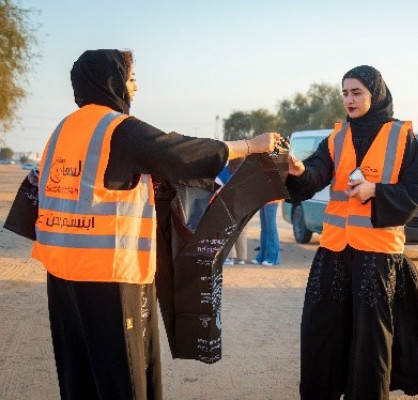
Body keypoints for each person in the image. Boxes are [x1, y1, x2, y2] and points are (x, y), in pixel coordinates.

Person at [31, 49, 280, 400]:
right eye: (131, 79)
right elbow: (180, 152)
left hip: (61, 274)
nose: (136, 87)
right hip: (111, 275)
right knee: (125, 379)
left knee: (80, 373)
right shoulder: (119, 129)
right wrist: (249, 146)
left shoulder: (62, 130)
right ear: (113, 82)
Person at [286, 65, 418, 399]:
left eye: (357, 93)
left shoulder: (400, 136)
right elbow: (317, 173)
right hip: (335, 252)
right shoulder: (337, 138)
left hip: (377, 257)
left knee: (371, 343)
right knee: (320, 333)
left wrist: (375, 191)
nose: (349, 100)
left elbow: (415, 189)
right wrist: (301, 170)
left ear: (374, 94)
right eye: (345, 94)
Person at [251, 199, 281, 266]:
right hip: (264, 199)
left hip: (272, 198)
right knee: (264, 228)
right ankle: (262, 256)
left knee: (271, 227)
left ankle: (272, 258)